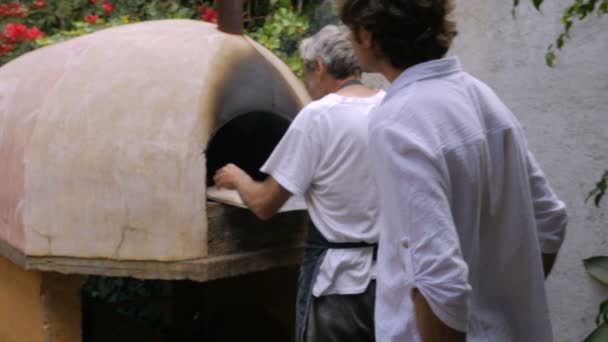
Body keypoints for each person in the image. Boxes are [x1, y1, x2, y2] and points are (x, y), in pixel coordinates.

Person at [339, 1, 568, 341]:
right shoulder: (479, 94)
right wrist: (503, 311)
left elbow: (439, 281)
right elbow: (550, 219)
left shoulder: (399, 120)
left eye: (350, 29)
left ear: (368, 35)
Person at [213, 25, 385, 342]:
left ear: (318, 66)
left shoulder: (318, 117)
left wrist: (238, 178)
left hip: (337, 286)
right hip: (390, 279)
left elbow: (265, 204)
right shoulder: (390, 106)